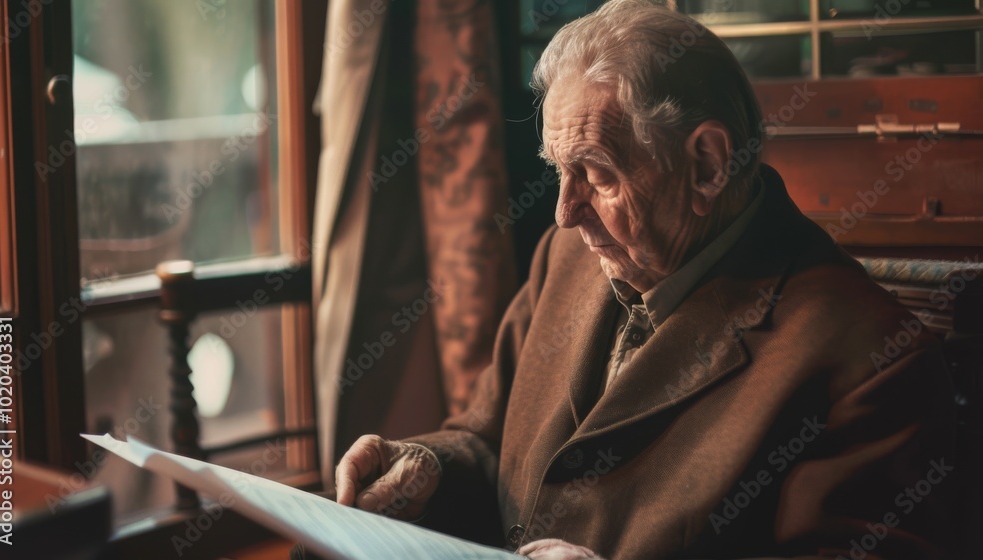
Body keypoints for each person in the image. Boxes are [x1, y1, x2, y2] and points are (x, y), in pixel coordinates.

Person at [331, 1, 960, 558]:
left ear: (708, 164)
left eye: (596, 173)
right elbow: (489, 440)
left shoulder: (874, 358)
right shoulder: (565, 256)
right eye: (558, 170)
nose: (564, 212)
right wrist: (427, 467)